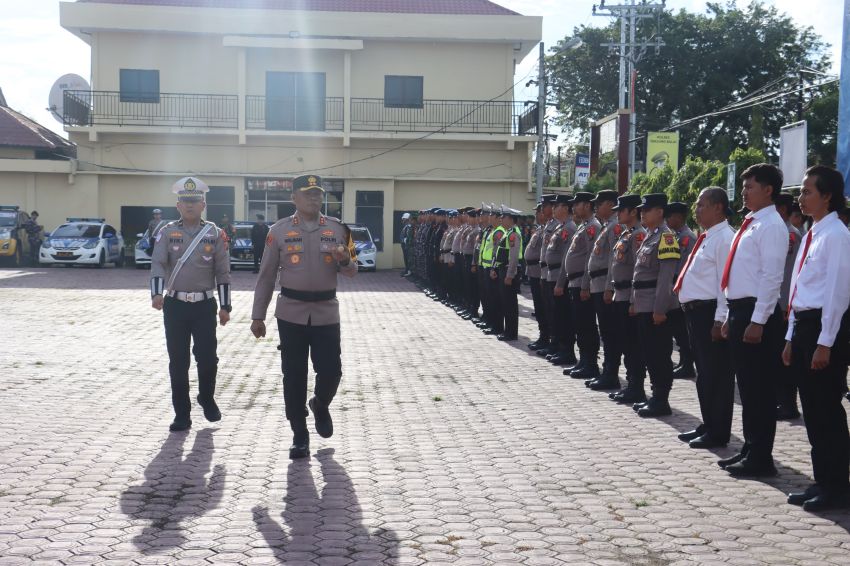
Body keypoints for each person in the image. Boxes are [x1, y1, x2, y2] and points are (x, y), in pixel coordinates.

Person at [251, 174, 357, 460]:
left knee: (331, 371)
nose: (313, 198)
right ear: (294, 198)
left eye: (317, 193)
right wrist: (257, 315)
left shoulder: (339, 230)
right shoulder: (279, 231)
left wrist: (344, 260)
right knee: (294, 376)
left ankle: (320, 404)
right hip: (291, 313)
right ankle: (299, 435)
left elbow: (352, 270)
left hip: (326, 312)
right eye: (307, 193)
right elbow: (266, 275)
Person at [782, 165, 850, 511]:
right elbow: (799, 289)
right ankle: (822, 480)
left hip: (826, 328)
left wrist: (825, 341)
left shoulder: (837, 233)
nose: (801, 196)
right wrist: (792, 335)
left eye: (808, 190)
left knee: (826, 411)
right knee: (812, 410)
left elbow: (838, 292)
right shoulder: (812, 232)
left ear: (827, 196)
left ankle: (838, 487)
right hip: (806, 325)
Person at [719, 163, 787, 477]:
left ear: (768, 190)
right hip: (740, 309)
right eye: (744, 186)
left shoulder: (772, 225)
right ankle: (750, 448)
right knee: (747, 388)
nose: (744, 191)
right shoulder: (752, 223)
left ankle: (762, 458)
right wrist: (729, 315)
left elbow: (772, 278)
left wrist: (758, 320)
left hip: (757, 312)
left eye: (750, 186)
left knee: (759, 390)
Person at [150, 177, 231, 432]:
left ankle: (206, 398)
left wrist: (225, 306)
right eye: (185, 201)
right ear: (178, 205)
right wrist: (156, 293)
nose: (190, 205)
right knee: (178, 361)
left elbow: (223, 271)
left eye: (194, 201)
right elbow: (158, 263)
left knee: (208, 359)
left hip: (204, 306)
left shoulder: (215, 234)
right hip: (175, 305)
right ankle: (181, 414)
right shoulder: (167, 232)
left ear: (203, 204)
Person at [674, 187, 736, 449]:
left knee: (716, 376)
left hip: (710, 313)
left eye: (702, 205)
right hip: (696, 312)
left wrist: (719, 319)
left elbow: (725, 283)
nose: (696, 210)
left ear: (718, 207)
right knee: (705, 375)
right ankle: (709, 423)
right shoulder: (709, 236)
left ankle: (718, 431)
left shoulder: (724, 238)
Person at [631, 193, 680, 418]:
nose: (642, 213)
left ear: (660, 212)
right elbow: (639, 274)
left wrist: (660, 309)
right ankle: (655, 396)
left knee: (659, 354)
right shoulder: (650, 236)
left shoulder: (666, 237)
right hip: (643, 304)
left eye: (647, 209)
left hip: (655, 307)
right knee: (649, 353)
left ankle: (661, 399)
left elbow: (665, 278)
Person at [606, 194, 648, 405]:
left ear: (633, 212)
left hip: (628, 297)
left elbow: (637, 271)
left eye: (621, 210)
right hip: (619, 294)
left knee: (633, 345)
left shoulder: (638, 235)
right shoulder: (626, 234)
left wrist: (633, 300)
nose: (618, 213)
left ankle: (636, 387)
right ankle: (630, 385)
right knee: (624, 342)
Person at [557, 192, 601, 379]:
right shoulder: (584, 226)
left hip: (582, 283)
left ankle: (590, 363)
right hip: (574, 281)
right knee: (579, 325)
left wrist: (584, 285)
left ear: (587, 206)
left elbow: (589, 259)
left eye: (578, 204)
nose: (574, 208)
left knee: (587, 326)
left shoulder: (593, 227)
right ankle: (583, 361)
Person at [582, 190, 621, 390]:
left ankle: (611, 373)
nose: (596, 207)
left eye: (600, 203)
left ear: (611, 204)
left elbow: (614, 261)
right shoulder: (607, 226)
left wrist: (608, 287)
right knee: (605, 332)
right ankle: (607, 371)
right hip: (597, 284)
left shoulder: (614, 226)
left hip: (604, 285)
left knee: (609, 333)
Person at [774, 193, 803, 420]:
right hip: (780, 303)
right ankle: (782, 401)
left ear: (782, 209)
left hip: (784, 304)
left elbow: (788, 273)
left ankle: (788, 404)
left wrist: (785, 305)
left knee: (784, 360)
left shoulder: (789, 234)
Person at [664, 202, 698, 379]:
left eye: (670, 216)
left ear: (679, 217)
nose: (668, 220)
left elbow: (685, 266)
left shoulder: (687, 237)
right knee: (678, 330)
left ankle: (688, 364)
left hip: (681, 288)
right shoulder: (676, 236)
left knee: (682, 330)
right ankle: (684, 361)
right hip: (674, 287)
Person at [493, 206, 523, 341]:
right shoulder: (508, 232)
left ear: (511, 218)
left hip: (508, 271)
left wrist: (509, 275)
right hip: (503, 269)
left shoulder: (513, 234)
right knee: (505, 302)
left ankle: (511, 333)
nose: (501, 219)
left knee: (510, 304)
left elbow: (514, 257)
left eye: (503, 217)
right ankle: (508, 331)